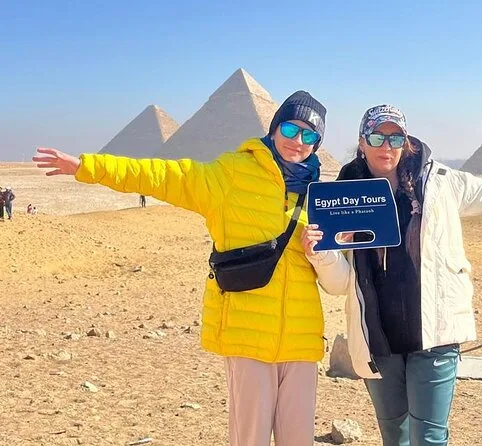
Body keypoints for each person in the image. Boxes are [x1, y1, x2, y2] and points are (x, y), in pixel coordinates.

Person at [33, 91, 333, 446]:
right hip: (248, 334)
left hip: (301, 339)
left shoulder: (322, 195)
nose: (298, 141)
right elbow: (161, 175)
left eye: (309, 134)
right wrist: (87, 167)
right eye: (290, 129)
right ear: (273, 127)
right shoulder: (230, 175)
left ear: (317, 143)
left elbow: (342, 264)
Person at [300, 104, 482, 446]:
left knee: (428, 438)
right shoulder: (343, 198)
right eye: (377, 137)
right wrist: (320, 253)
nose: (386, 146)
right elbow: (341, 283)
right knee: (395, 438)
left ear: (406, 142)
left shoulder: (441, 182)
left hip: (435, 332)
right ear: (362, 142)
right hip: (378, 338)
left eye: (395, 138)